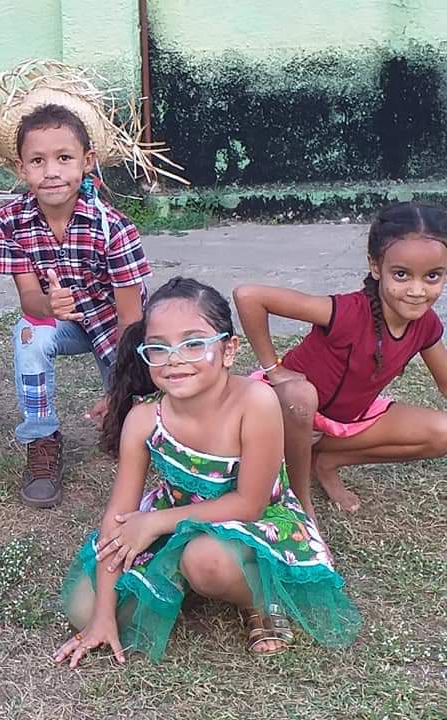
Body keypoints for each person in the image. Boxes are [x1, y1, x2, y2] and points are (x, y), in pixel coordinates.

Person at [55, 277, 360, 665]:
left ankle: (260, 600)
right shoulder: (145, 418)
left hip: (254, 520)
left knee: (205, 561)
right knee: (84, 609)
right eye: (159, 348)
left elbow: (249, 504)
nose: (175, 359)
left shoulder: (256, 402)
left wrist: (156, 522)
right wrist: (101, 617)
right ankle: (178, 576)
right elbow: (117, 518)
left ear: (229, 349)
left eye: (193, 343)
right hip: (176, 520)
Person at [234, 202, 447, 514]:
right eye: (401, 274)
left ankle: (326, 462)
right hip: (285, 417)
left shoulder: (425, 325)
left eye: (432, 276)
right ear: (376, 267)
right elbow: (248, 296)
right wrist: (274, 369)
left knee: (443, 433)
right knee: (300, 395)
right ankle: (300, 502)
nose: (417, 290)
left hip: (342, 422)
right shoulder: (346, 312)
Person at [0, 104, 149, 508]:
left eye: (64, 158)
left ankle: (129, 420)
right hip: (60, 320)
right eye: (37, 161)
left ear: (87, 163)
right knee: (27, 334)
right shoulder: (11, 221)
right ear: (20, 168)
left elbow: (131, 319)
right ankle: (42, 440)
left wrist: (120, 391)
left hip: (116, 326)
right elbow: (28, 299)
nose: (51, 171)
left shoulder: (113, 227)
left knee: (132, 420)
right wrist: (49, 303)